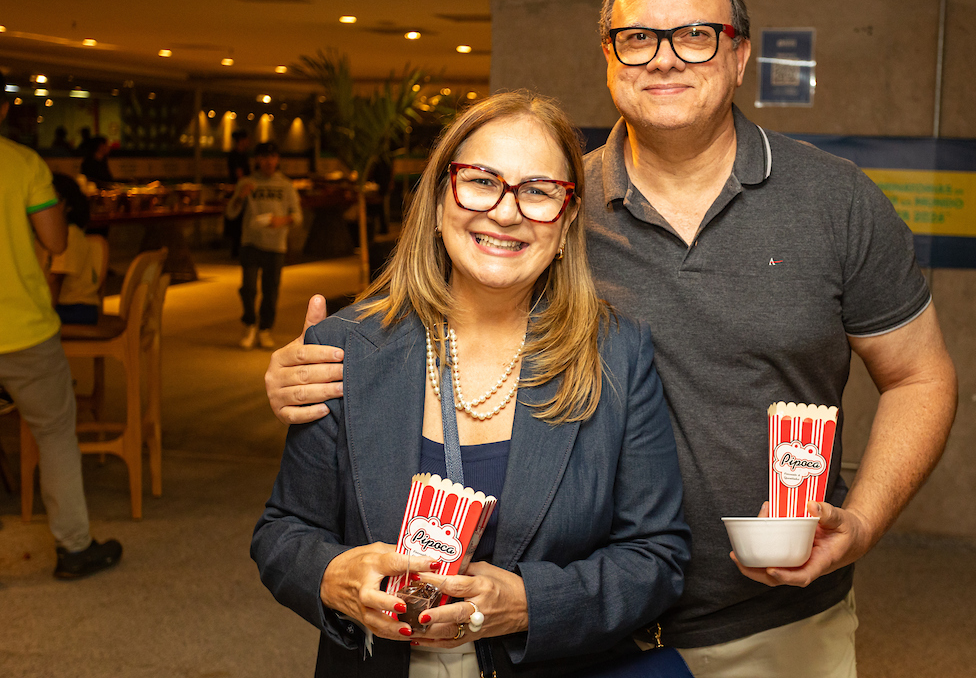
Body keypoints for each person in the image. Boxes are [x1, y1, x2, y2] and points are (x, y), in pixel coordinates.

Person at [265, 0, 957, 677]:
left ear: (739, 54)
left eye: (694, 35)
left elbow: (921, 375)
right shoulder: (546, 201)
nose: (662, 55)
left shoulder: (836, 203)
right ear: (608, 55)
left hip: (771, 620)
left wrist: (859, 523)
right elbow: (410, 327)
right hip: (583, 640)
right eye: (636, 37)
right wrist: (302, 372)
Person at [250, 90, 690, 677]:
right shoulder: (345, 349)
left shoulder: (617, 354)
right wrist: (334, 579)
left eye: (537, 192)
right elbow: (283, 532)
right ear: (438, 201)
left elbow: (657, 557)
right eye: (481, 181)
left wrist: (529, 605)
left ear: (566, 222)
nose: (506, 212)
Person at [0, 78, 122, 579]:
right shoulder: (22, 163)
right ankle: (73, 548)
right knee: (53, 433)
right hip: (23, 327)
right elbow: (54, 241)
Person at [224, 141, 301, 350]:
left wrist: (281, 221)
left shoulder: (285, 185)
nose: (269, 161)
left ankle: (265, 328)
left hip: (276, 246)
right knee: (248, 287)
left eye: (273, 157)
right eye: (264, 157)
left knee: (271, 290)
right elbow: (231, 213)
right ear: (257, 160)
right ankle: (249, 324)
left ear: (278, 160)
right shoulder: (247, 182)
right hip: (250, 242)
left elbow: (297, 215)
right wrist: (240, 196)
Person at [48, 173, 104, 325]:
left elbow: (55, 280)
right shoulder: (68, 232)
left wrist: (46, 315)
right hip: (76, 308)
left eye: (54, 200)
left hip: (77, 309)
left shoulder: (69, 234)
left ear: (69, 206)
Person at [225, 130, 253, 258]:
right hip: (238, 190)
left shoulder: (243, 155)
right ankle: (236, 250)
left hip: (242, 188)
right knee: (237, 219)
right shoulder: (235, 155)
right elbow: (239, 173)